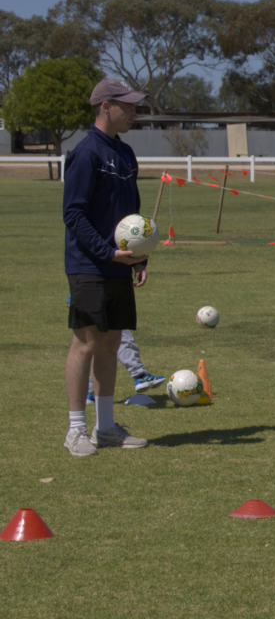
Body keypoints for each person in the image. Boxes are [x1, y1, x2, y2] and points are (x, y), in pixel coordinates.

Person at [63, 78, 151, 456]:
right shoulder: (86, 153)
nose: (134, 113)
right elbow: (73, 213)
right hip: (89, 263)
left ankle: (106, 427)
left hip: (119, 264)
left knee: (112, 342)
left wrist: (139, 256)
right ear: (105, 107)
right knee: (86, 342)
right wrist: (106, 252)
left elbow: (132, 213)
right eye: (127, 106)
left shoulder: (126, 153)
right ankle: (75, 430)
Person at [65, 297, 165, 402]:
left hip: (85, 297)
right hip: (97, 295)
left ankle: (90, 391)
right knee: (119, 334)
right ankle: (139, 375)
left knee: (99, 346)